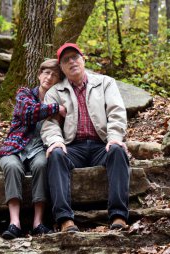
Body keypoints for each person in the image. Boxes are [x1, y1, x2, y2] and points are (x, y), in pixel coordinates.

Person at [41, 43, 130, 233]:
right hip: (74, 147)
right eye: (66, 60)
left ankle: (118, 216)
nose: (72, 61)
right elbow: (50, 124)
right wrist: (56, 140)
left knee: (118, 151)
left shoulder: (105, 83)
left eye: (75, 57)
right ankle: (65, 220)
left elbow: (116, 112)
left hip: (101, 145)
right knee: (55, 155)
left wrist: (114, 137)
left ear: (83, 60)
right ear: (62, 68)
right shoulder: (54, 92)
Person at [0, 59, 66, 239]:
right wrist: (56, 108)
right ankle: (14, 223)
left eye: (54, 75)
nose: (49, 77)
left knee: (42, 165)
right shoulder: (25, 93)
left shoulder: (58, 97)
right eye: (46, 73)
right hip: (15, 147)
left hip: (39, 149)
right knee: (12, 167)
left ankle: (38, 222)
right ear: (39, 74)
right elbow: (28, 114)